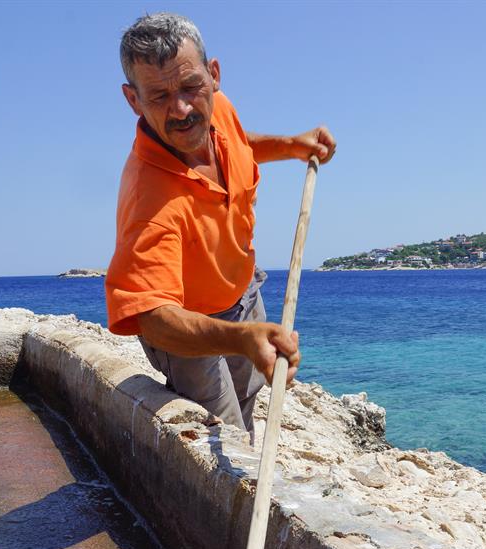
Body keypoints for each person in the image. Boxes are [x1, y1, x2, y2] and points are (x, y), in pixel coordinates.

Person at [104, 13, 336, 441]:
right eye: (159, 95)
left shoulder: (218, 110)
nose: (181, 109)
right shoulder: (148, 200)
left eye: (190, 86)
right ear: (133, 100)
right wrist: (241, 338)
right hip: (187, 329)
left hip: (243, 295)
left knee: (246, 403)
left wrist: (291, 146)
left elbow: (237, 144)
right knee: (221, 433)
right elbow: (153, 318)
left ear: (213, 75)